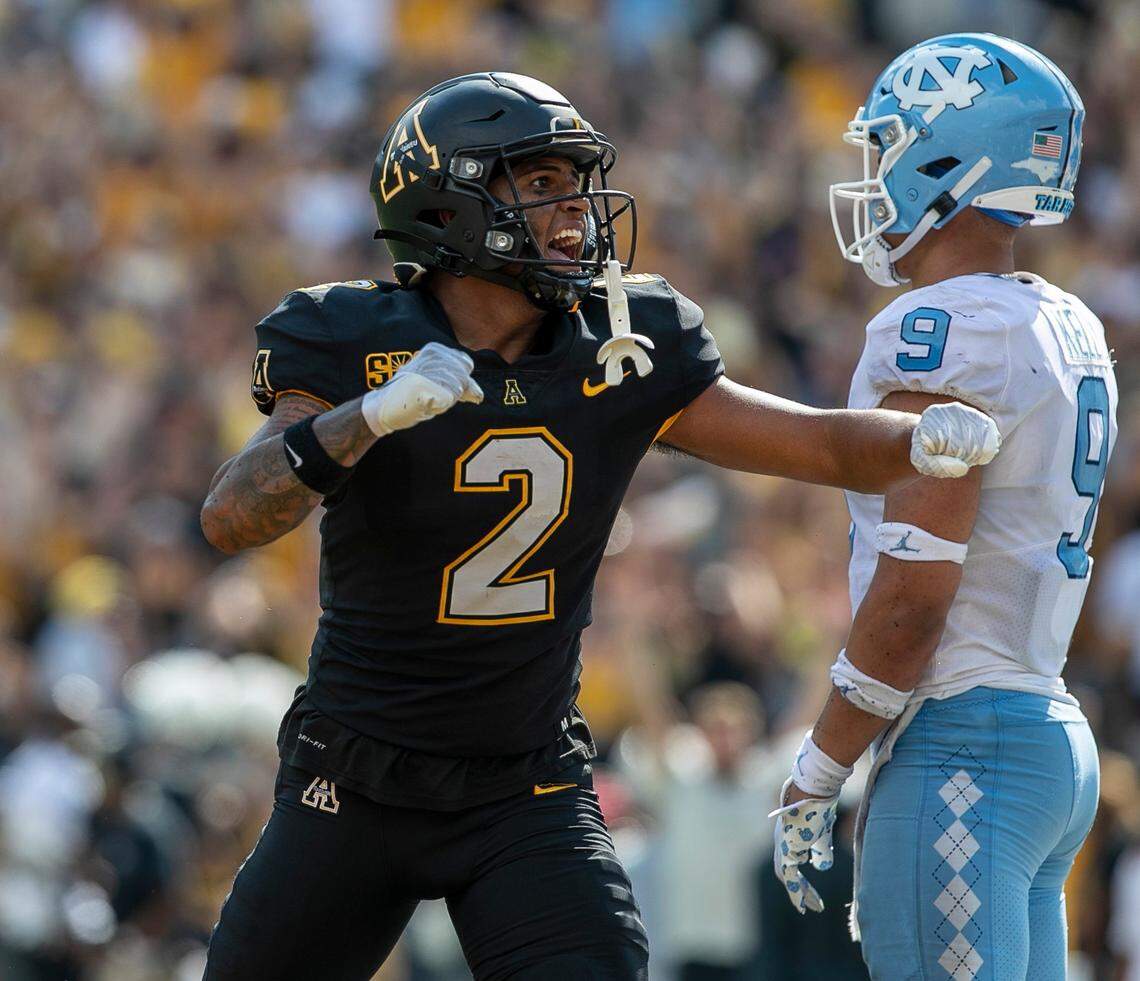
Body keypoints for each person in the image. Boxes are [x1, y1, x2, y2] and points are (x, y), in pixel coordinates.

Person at [198, 72, 997, 980]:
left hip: (522, 784)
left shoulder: (621, 342)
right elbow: (231, 515)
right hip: (353, 776)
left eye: (577, 182)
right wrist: (368, 418)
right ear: (449, 205)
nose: (576, 206)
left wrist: (917, 439)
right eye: (541, 183)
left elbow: (817, 444)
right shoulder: (350, 337)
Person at [770, 34, 1115, 981]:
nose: (876, 176)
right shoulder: (1065, 319)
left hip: (964, 747)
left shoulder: (940, 327)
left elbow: (915, 598)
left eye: (889, 147)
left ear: (948, 161)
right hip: (1045, 735)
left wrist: (818, 769)